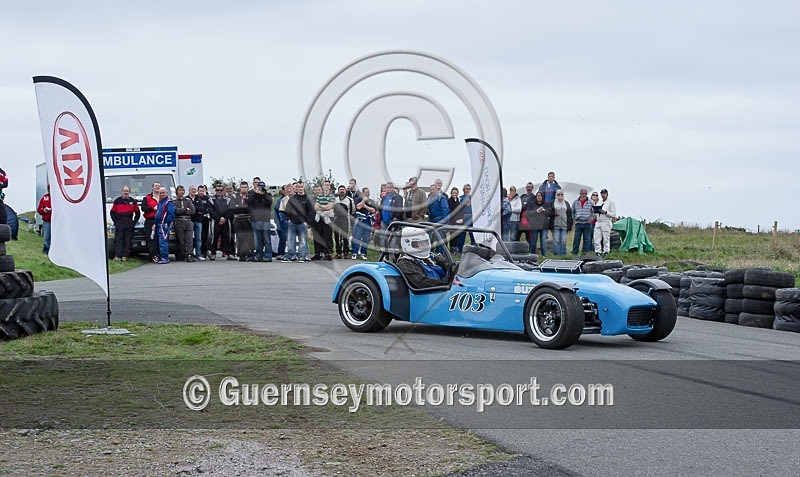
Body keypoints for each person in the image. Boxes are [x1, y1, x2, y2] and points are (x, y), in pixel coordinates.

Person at [283, 181, 314, 262]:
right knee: (290, 240)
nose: (300, 188)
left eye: (301, 187)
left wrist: (307, 222)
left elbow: (311, 212)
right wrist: (288, 219)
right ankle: (290, 255)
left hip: (302, 223)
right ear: (296, 188)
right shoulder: (293, 198)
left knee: (303, 241)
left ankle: (302, 256)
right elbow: (287, 210)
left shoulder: (307, 199)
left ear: (303, 187)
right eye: (298, 187)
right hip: (292, 223)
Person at [109, 185, 140, 261]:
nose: (126, 192)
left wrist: (134, 222)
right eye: (124, 191)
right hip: (119, 222)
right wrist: (115, 221)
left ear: (129, 192)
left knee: (127, 240)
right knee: (118, 239)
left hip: (129, 222)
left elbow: (137, 213)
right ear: (122, 192)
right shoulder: (117, 201)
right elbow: (112, 212)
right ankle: (117, 256)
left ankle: (124, 256)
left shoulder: (133, 201)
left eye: (127, 191)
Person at [247, 180, 274, 262]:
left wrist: (263, 194)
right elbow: (249, 202)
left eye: (262, 187)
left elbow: (269, 202)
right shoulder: (253, 195)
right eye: (259, 187)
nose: (261, 189)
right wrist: (256, 194)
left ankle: (268, 256)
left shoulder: (268, 195)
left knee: (267, 239)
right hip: (256, 219)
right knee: (258, 240)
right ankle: (258, 255)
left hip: (265, 219)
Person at [228, 181, 253, 261]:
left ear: (248, 188)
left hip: (248, 218)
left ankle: (249, 253)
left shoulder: (251, 196)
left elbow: (250, 208)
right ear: (240, 188)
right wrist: (242, 207)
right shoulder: (235, 196)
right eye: (242, 187)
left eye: (245, 187)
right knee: (240, 237)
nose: (244, 189)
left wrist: (240, 207)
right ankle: (241, 254)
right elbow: (232, 207)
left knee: (248, 237)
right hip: (238, 219)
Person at [208, 184, 232, 260]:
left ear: (223, 191)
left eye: (220, 190)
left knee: (227, 237)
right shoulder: (211, 200)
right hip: (215, 222)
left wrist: (225, 218)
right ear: (215, 190)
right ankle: (213, 253)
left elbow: (230, 210)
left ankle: (229, 253)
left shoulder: (228, 199)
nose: (219, 191)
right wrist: (219, 219)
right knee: (214, 237)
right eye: (217, 190)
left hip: (225, 221)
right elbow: (211, 211)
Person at [351, 187, 376, 260]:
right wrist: (363, 201)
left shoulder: (371, 201)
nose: (368, 193)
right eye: (366, 192)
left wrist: (364, 206)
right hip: (359, 221)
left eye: (368, 192)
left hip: (368, 221)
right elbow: (358, 207)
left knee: (366, 238)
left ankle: (363, 253)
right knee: (357, 237)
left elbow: (373, 210)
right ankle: (354, 253)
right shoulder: (358, 200)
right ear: (362, 193)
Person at [312, 181, 335, 260]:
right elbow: (316, 207)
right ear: (322, 186)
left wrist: (321, 206)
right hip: (319, 218)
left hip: (328, 218)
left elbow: (330, 207)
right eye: (325, 185)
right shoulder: (319, 196)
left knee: (327, 236)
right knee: (318, 235)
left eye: (328, 185)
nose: (326, 186)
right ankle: (318, 253)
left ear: (329, 187)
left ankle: (328, 253)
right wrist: (324, 207)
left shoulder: (331, 196)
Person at [173, 185, 196, 262]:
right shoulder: (174, 201)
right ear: (177, 192)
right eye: (180, 190)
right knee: (182, 239)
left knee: (189, 239)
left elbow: (193, 211)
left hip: (188, 221)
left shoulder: (188, 201)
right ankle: (183, 254)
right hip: (179, 221)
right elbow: (176, 211)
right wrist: (185, 209)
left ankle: (189, 254)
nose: (181, 192)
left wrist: (183, 210)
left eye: (183, 190)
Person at [526, 191, 552, 256]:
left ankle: (543, 255)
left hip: (544, 226)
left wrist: (544, 210)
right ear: (536, 197)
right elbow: (528, 213)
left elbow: (550, 213)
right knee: (534, 241)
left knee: (543, 241)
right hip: (534, 225)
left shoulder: (546, 204)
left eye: (540, 196)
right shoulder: (532, 204)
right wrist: (536, 211)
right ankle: (533, 254)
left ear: (542, 197)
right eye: (538, 196)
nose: (539, 197)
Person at [378, 181, 404, 247]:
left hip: (392, 221)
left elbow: (399, 209)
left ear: (393, 188)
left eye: (390, 187)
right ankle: (383, 254)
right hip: (384, 221)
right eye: (387, 187)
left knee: (393, 238)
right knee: (383, 237)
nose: (388, 189)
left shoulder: (398, 197)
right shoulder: (384, 197)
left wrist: (395, 217)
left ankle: (392, 254)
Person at [333, 185, 355, 258]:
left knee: (345, 236)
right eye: (340, 189)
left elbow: (353, 211)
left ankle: (346, 252)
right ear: (338, 191)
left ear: (345, 191)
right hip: (336, 219)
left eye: (343, 189)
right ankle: (338, 252)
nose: (341, 191)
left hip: (345, 219)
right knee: (336, 237)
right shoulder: (335, 199)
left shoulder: (350, 200)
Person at [154, 186, 174, 264]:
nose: (162, 194)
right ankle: (162, 256)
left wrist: (166, 223)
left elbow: (171, 214)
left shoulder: (169, 202)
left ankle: (165, 257)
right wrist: (155, 224)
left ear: (166, 193)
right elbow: (158, 214)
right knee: (160, 241)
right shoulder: (160, 202)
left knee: (163, 241)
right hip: (159, 224)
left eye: (163, 193)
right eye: (160, 193)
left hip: (164, 224)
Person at [593, 188, 617, 256]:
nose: (603, 195)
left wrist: (605, 212)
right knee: (596, 237)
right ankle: (598, 251)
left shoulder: (611, 203)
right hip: (598, 221)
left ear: (607, 194)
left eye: (604, 193)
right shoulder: (599, 202)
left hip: (606, 222)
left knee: (605, 238)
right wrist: (595, 211)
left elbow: (613, 214)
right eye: (602, 193)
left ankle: (606, 251)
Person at [140, 181, 160, 262]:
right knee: (151, 239)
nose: (157, 187)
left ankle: (160, 254)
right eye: (156, 186)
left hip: (161, 221)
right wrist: (152, 208)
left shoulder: (162, 197)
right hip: (150, 221)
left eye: (159, 186)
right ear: (152, 188)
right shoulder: (147, 198)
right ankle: (153, 255)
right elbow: (143, 208)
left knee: (160, 238)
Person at [571, 189, 594, 255]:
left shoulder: (591, 202)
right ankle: (574, 253)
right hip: (578, 223)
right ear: (580, 194)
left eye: (585, 193)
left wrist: (591, 219)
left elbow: (594, 212)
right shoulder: (575, 202)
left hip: (587, 223)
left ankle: (585, 254)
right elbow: (572, 212)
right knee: (576, 239)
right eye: (582, 193)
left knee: (587, 240)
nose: (584, 195)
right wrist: (574, 220)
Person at [550, 190, 573, 256]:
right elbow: (548, 212)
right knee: (556, 241)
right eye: (558, 194)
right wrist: (554, 213)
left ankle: (563, 254)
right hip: (555, 225)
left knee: (563, 240)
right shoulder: (552, 203)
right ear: (556, 195)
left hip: (564, 225)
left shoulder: (566, 203)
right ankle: (557, 254)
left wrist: (570, 225)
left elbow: (569, 215)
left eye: (561, 194)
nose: (560, 196)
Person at [273, 183, 293, 259]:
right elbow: (276, 212)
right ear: (283, 191)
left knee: (290, 239)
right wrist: (278, 223)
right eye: (285, 189)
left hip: (291, 222)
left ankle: (290, 253)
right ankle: (280, 253)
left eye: (288, 189)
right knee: (283, 239)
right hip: (281, 223)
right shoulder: (279, 200)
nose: (287, 191)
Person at [190, 185, 209, 261]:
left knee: (199, 238)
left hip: (199, 221)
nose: (194, 191)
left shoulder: (199, 199)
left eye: (194, 189)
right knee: (190, 238)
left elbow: (203, 208)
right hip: (190, 221)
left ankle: (199, 254)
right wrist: (196, 210)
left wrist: (194, 209)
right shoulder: (187, 198)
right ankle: (190, 253)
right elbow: (188, 209)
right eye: (192, 189)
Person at [447, 187, 465, 254]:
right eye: (453, 192)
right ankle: (452, 249)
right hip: (452, 221)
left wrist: (462, 219)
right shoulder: (449, 201)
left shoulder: (459, 200)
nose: (455, 194)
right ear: (451, 193)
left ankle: (456, 248)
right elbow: (450, 212)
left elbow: (462, 210)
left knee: (457, 235)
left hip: (459, 221)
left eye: (456, 192)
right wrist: (456, 221)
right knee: (452, 236)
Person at [36, 185, 52, 254]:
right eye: (49, 189)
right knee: (47, 237)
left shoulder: (59, 198)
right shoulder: (45, 197)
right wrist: (43, 210)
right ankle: (46, 251)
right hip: (47, 221)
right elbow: (39, 209)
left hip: (57, 222)